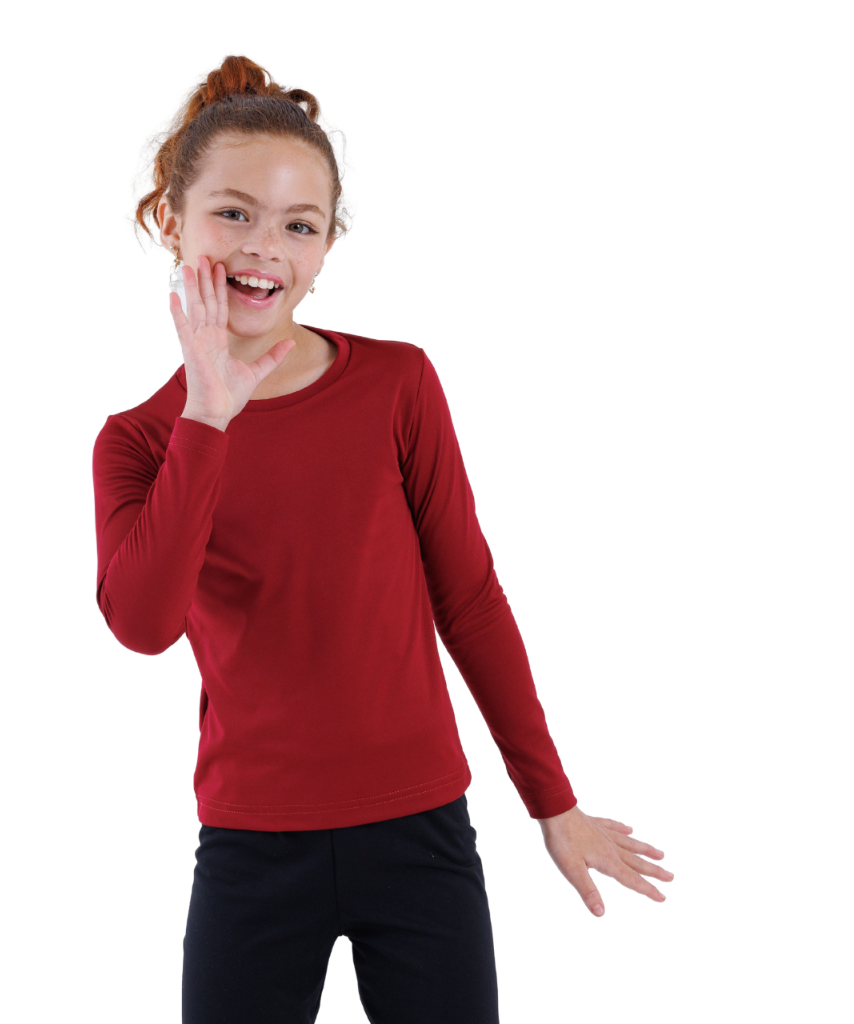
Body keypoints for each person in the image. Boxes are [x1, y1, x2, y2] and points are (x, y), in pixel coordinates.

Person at [92, 55, 673, 1024]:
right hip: (250, 846)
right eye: (232, 213)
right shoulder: (141, 440)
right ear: (171, 220)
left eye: (299, 224)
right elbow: (143, 625)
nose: (263, 247)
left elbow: (469, 600)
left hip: (420, 835)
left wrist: (552, 801)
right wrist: (208, 418)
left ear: (327, 246)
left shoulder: (397, 385)